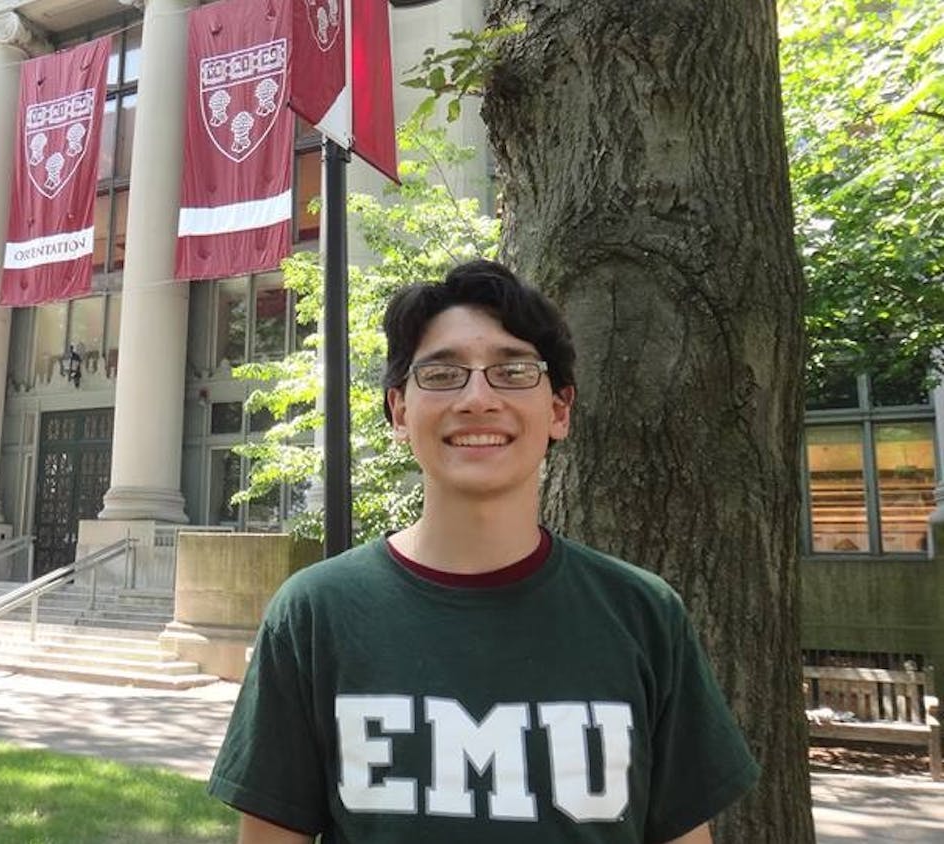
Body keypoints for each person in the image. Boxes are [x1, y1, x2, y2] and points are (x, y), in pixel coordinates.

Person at [208, 260, 760, 843]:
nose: (477, 398)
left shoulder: (644, 615)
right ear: (399, 411)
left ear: (559, 410)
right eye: (443, 374)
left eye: (513, 371)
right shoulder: (314, 615)